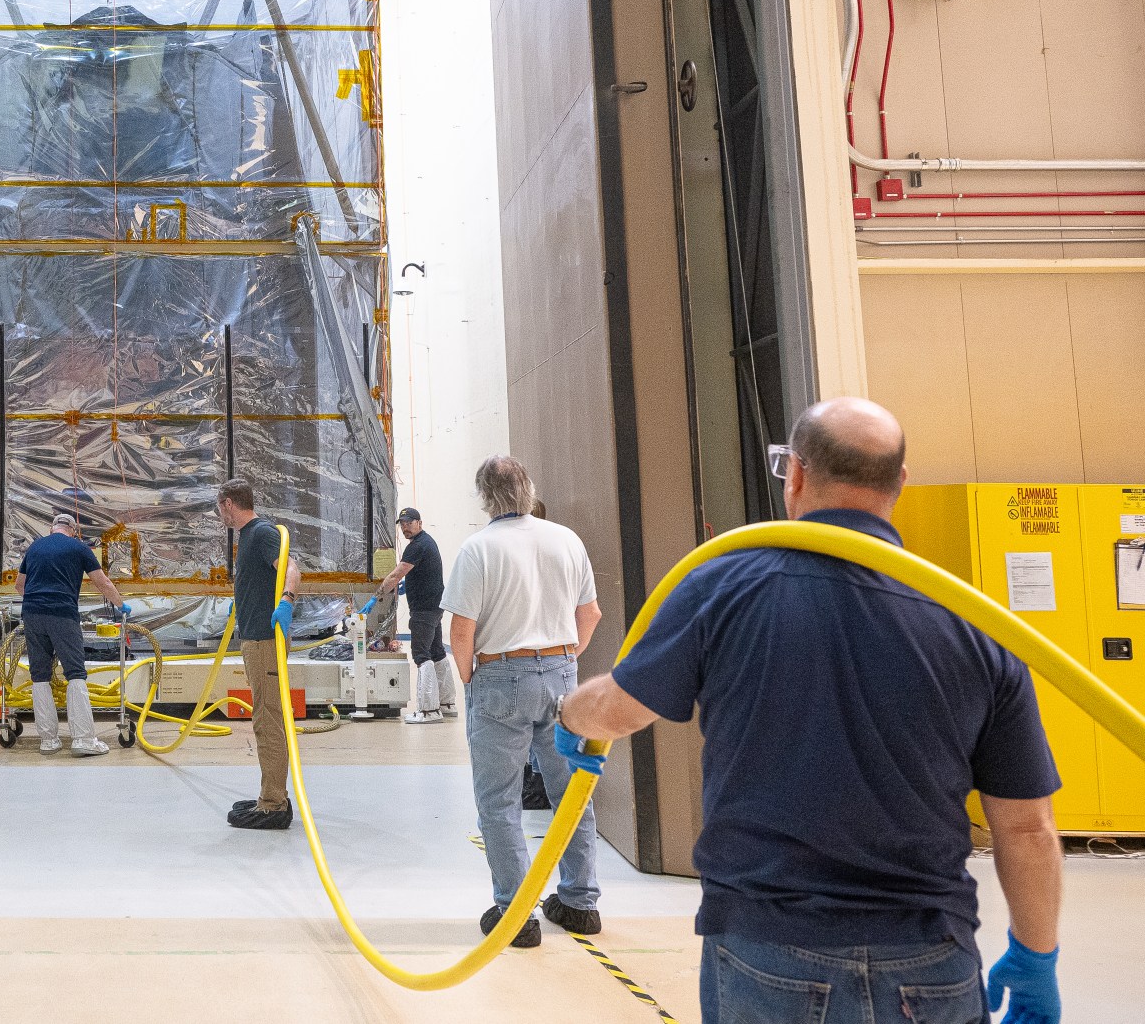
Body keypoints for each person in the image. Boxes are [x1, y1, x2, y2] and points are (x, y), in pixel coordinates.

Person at [557, 398, 1064, 1024]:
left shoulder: (722, 588)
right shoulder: (971, 624)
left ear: (795, 475)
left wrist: (567, 715)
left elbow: (617, 712)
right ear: (899, 485)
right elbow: (1027, 829)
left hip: (769, 953)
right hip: (929, 957)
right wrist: (1037, 956)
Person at [444, 456, 604, 947]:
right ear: (529, 491)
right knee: (570, 792)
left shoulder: (478, 549)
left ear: (485, 498)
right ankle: (580, 902)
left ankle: (516, 914)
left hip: (500, 676)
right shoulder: (567, 540)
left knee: (499, 801)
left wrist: (471, 679)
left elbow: (461, 630)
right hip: (561, 675)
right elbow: (591, 614)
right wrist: (563, 658)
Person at [218, 478, 302, 831]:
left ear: (228, 503)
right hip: (253, 637)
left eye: (219, 507)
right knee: (266, 717)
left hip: (265, 640)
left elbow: (293, 569)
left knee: (266, 720)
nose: (219, 514)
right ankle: (271, 794)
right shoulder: (247, 537)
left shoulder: (263, 532)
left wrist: (286, 601)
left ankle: (273, 805)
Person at [14, 512, 130, 756]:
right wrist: (121, 605)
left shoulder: (35, 547)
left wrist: (38, 602)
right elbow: (103, 583)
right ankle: (83, 740)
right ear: (74, 530)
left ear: (51, 528)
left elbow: (19, 585)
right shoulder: (78, 548)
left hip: (32, 614)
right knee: (75, 672)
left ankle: (48, 741)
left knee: (40, 675)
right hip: (62, 614)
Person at [379, 507, 453, 723]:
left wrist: (377, 596)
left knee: (421, 656)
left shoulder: (417, 546)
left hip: (424, 609)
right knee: (437, 652)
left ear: (419, 523)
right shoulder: (426, 542)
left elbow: (396, 574)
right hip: (435, 606)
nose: (405, 527)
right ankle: (447, 703)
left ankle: (428, 711)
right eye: (402, 523)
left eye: (409, 522)